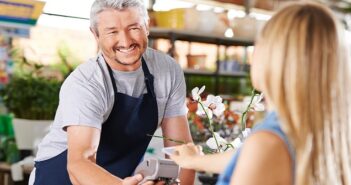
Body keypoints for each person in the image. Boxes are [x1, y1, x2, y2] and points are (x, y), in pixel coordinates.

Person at [170, 2, 351, 185]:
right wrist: (195, 161)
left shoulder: (267, 143)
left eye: (260, 44)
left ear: (277, 59)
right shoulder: (325, 131)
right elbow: (243, 158)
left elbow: (259, 155)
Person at [29, 0, 195, 184]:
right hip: (59, 177)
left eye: (134, 28)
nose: (125, 41)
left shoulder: (167, 70)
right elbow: (79, 164)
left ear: (147, 26)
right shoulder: (86, 83)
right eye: (112, 31)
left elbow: (181, 152)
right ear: (96, 34)